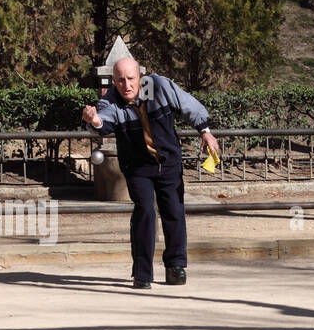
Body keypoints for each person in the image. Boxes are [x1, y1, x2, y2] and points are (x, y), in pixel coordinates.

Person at [82, 57, 220, 289]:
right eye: (120, 80)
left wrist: (204, 131)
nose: (126, 85)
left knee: (174, 211)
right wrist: (95, 121)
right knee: (145, 210)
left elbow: (188, 104)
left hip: (168, 161)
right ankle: (142, 274)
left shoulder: (159, 86)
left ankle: (176, 266)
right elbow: (104, 121)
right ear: (114, 81)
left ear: (140, 77)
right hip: (137, 167)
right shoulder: (110, 101)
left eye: (131, 79)